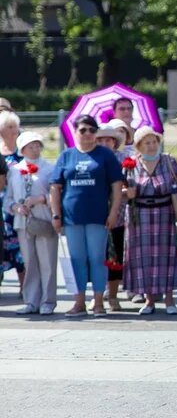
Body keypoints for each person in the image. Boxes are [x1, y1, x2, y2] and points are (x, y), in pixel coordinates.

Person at [49, 114, 125, 317]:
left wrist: (113, 212)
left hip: (98, 216)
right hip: (72, 218)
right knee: (77, 259)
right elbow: (55, 188)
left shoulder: (105, 155)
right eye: (83, 130)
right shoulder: (66, 156)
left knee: (97, 258)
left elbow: (117, 186)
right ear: (75, 132)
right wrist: (56, 215)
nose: (88, 134)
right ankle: (79, 302)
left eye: (92, 130)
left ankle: (99, 301)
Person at [122, 126, 177, 315]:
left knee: (165, 257)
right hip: (139, 216)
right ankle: (149, 300)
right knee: (144, 259)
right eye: (147, 143)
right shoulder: (130, 164)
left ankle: (169, 300)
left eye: (154, 142)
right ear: (138, 146)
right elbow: (119, 190)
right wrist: (127, 193)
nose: (151, 146)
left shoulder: (168, 161)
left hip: (164, 214)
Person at [4, 132, 56, 314]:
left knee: (47, 261)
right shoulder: (14, 170)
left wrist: (41, 199)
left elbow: (56, 194)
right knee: (30, 261)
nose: (34, 149)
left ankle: (48, 301)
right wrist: (16, 207)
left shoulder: (49, 168)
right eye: (30, 146)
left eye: (37, 145)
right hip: (23, 222)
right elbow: (8, 199)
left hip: (44, 220)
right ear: (22, 149)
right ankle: (31, 300)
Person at [96, 124, 130, 310]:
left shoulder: (124, 159)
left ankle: (113, 295)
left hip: (118, 213)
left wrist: (123, 191)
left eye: (108, 139)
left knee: (115, 254)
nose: (104, 143)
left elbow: (130, 182)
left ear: (115, 142)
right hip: (96, 213)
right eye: (100, 139)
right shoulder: (92, 158)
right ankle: (97, 294)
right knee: (96, 256)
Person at [0, 110, 25, 294]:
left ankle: (24, 286)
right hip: (1, 203)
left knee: (20, 249)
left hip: (17, 203)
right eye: (9, 127)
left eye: (15, 126)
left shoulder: (22, 153)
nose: (14, 130)